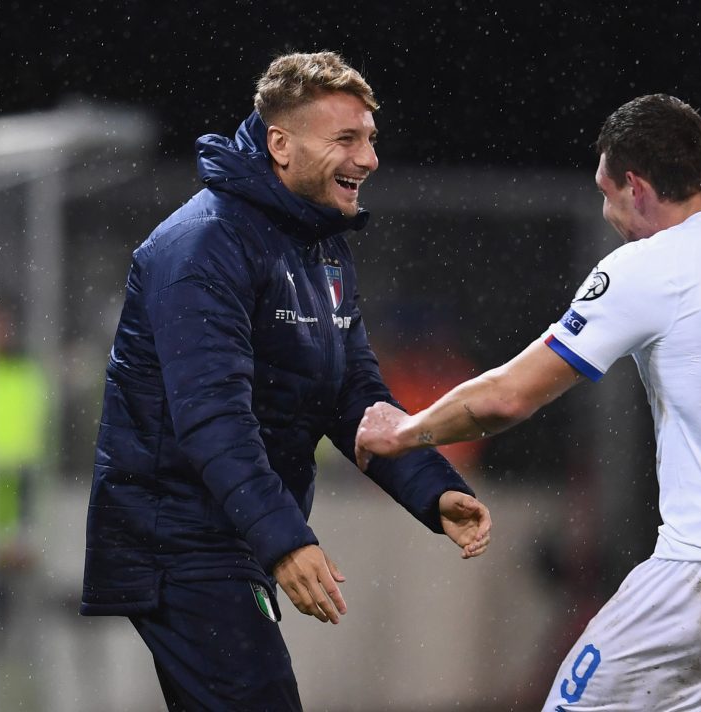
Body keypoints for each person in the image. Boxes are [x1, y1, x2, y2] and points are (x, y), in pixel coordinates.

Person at [355, 94, 701, 710]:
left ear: (636, 186)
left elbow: (507, 397)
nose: (606, 211)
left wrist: (406, 432)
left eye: (606, 192)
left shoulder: (650, 267)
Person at [80, 51, 491, 710]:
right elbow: (212, 418)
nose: (369, 159)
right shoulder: (202, 245)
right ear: (280, 144)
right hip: (180, 541)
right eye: (346, 139)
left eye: (370, 139)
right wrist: (284, 540)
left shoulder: (318, 243)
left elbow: (352, 393)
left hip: (230, 536)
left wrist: (430, 487)